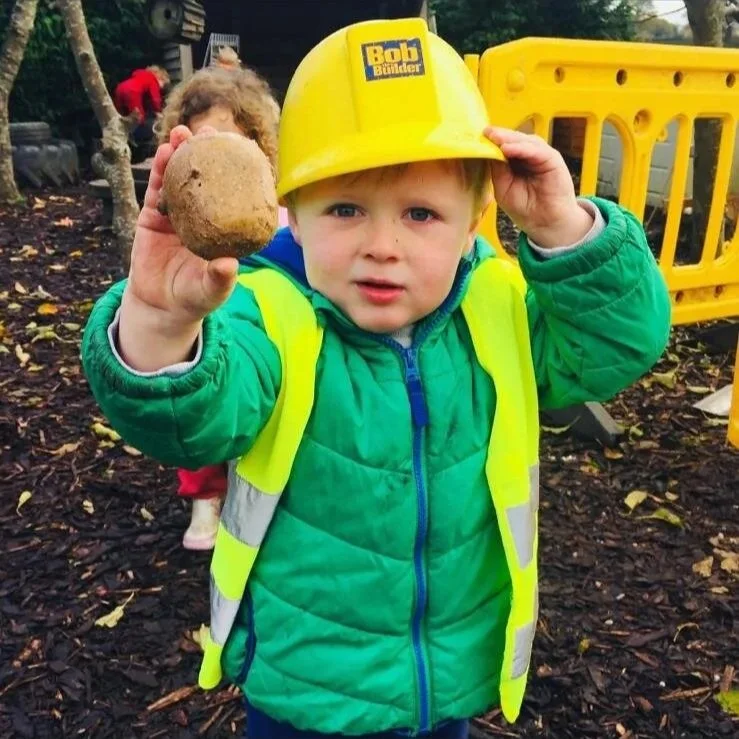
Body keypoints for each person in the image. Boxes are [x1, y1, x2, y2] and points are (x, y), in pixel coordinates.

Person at [82, 17, 671, 739]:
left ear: (474, 221)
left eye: (421, 213)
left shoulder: (495, 310)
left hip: (447, 677)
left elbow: (617, 345)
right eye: (345, 209)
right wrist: (159, 318)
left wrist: (564, 226)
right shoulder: (270, 315)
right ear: (290, 214)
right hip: (308, 690)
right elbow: (188, 419)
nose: (381, 247)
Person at [154, 64, 284, 550]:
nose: (220, 152)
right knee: (201, 391)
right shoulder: (186, 208)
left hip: (268, 321)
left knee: (267, 406)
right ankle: (205, 497)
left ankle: (261, 492)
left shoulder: (275, 205)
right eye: (205, 138)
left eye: (234, 138)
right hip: (214, 317)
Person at [114, 65, 170, 144]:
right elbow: (155, 99)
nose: (162, 87)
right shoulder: (152, 79)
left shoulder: (141, 75)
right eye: (163, 83)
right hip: (132, 92)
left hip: (120, 88)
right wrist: (158, 111)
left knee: (122, 115)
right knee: (139, 118)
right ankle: (134, 138)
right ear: (160, 78)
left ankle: (120, 131)